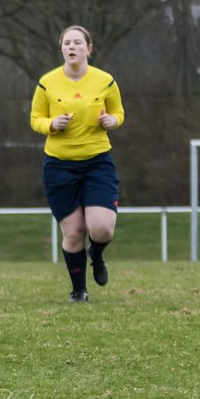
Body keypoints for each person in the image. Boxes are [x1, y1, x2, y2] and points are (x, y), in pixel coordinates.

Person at [30, 24, 125, 303]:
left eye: (78, 43)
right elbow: (35, 119)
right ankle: (79, 292)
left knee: (102, 228)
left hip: (97, 163)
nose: (72, 47)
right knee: (73, 232)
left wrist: (112, 121)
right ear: (61, 48)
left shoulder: (105, 81)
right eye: (67, 43)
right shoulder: (47, 82)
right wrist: (52, 124)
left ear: (89, 49)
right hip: (59, 166)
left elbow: (119, 111)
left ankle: (96, 254)